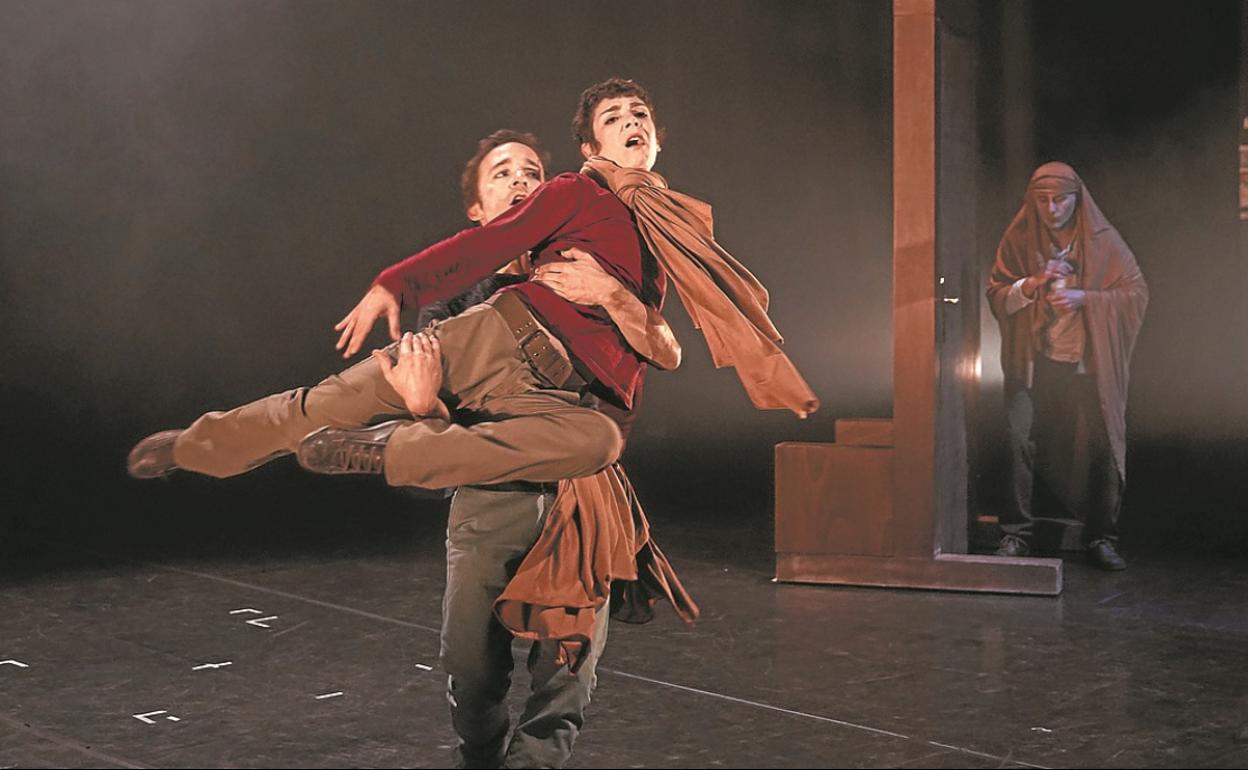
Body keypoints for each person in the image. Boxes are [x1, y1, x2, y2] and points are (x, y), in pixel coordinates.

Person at [986, 161, 1148, 570]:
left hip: (1087, 362)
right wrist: (1033, 283)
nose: (1051, 208)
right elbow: (997, 294)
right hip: (1035, 359)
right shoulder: (1020, 237)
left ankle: (1101, 537)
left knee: (1103, 442)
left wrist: (1085, 299)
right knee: (1017, 439)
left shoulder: (1103, 241)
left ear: (1077, 199)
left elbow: (1136, 294)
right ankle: (1015, 533)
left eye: (1060, 200)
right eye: (1042, 200)